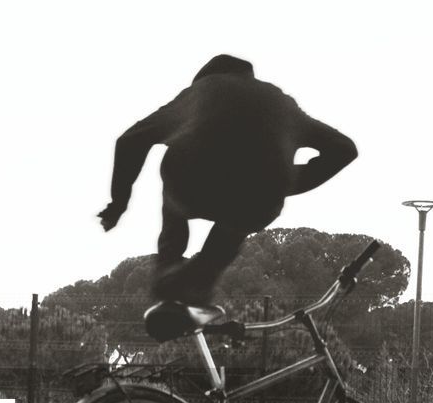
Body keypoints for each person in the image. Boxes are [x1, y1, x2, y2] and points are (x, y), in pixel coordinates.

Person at [98, 54, 358, 306]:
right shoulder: (280, 101)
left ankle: (168, 268)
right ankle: (202, 275)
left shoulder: (202, 90)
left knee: (173, 188)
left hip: (192, 184)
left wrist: (117, 205)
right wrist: (286, 182)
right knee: (239, 218)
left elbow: (131, 140)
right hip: (259, 202)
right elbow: (344, 149)